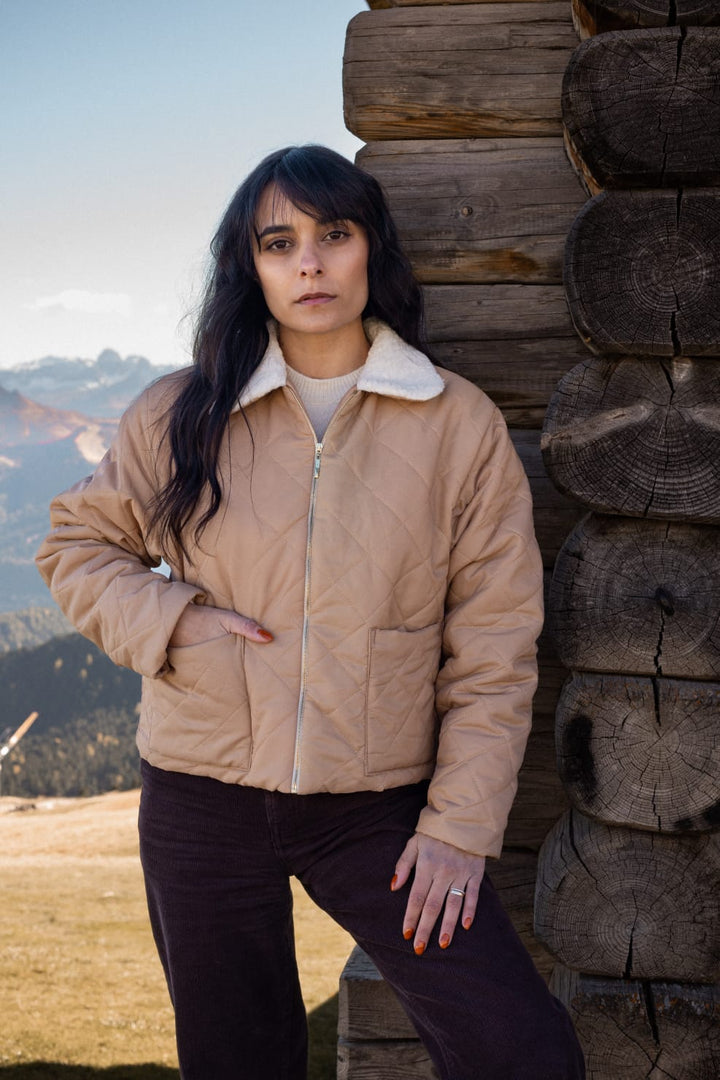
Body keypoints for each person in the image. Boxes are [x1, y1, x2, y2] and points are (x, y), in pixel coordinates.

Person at [36, 145, 585, 1080]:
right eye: (279, 242)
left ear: (372, 248)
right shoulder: (183, 412)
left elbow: (494, 644)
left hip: (375, 809)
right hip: (200, 797)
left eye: (334, 235)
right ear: (249, 266)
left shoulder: (455, 424)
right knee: (238, 1060)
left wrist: (456, 828)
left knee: (518, 1050)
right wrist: (175, 619)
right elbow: (75, 546)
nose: (310, 263)